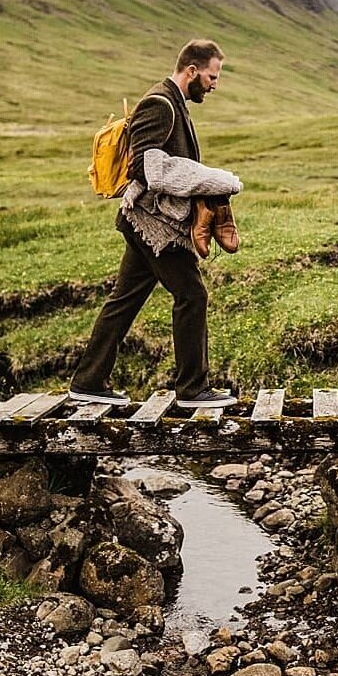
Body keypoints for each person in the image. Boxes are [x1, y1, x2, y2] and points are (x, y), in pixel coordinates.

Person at [70, 39, 242, 409]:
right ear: (192, 71)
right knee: (192, 295)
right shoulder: (159, 103)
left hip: (144, 223)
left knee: (124, 300)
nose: (215, 84)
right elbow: (145, 168)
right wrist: (214, 179)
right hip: (151, 226)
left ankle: (87, 381)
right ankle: (192, 389)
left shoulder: (175, 102)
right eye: (212, 77)